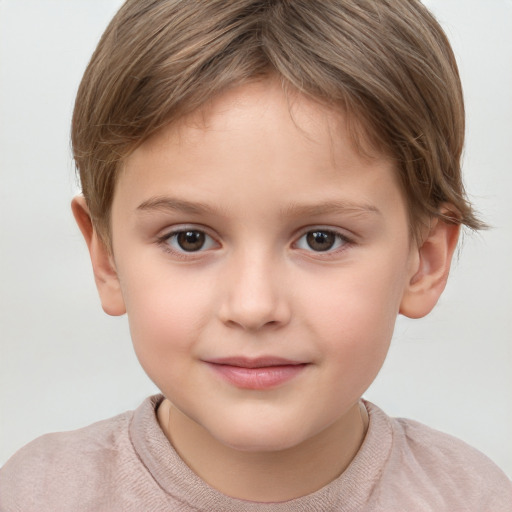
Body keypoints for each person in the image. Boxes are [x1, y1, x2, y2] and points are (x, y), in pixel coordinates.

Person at [1, 0, 511, 510]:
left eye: (321, 239)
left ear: (423, 261)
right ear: (107, 257)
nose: (253, 307)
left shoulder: (473, 499)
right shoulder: (35, 495)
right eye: (190, 239)